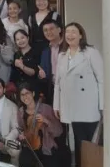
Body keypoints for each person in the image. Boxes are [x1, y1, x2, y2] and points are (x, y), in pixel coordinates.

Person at [53, 22, 104, 167]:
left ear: (81, 35)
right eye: (67, 32)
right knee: (78, 142)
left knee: (91, 144)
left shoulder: (90, 52)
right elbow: (58, 83)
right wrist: (57, 105)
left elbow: (101, 79)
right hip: (71, 105)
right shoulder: (62, 55)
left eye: (74, 32)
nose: (70, 35)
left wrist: (102, 105)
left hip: (89, 106)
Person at [18, 82, 62, 167]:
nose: (25, 97)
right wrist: (21, 135)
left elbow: (59, 131)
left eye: (27, 93)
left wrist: (46, 121)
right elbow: (20, 129)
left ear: (33, 93)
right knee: (23, 161)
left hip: (46, 146)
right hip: (29, 145)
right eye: (22, 95)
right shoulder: (20, 111)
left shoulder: (46, 109)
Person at [38, 19, 63, 105]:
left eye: (51, 29)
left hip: (67, 87)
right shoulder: (45, 51)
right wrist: (41, 76)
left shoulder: (67, 47)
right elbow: (43, 72)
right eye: (45, 30)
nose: (49, 32)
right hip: (52, 89)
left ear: (59, 30)